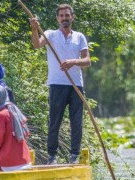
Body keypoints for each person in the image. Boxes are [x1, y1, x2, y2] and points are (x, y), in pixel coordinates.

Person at [29, 4, 91, 164]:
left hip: (76, 85)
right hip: (57, 84)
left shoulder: (79, 37)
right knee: (54, 120)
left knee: (76, 121)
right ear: (57, 18)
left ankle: (74, 156)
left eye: (67, 15)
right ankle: (52, 157)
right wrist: (35, 29)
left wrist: (73, 61)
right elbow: (36, 45)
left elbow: (87, 61)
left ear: (72, 17)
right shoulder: (50, 34)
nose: (64, 18)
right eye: (61, 16)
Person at [0, 85, 31, 172]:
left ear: (0, 99)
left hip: (8, 162)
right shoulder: (13, 110)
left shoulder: (1, 116)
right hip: (24, 160)